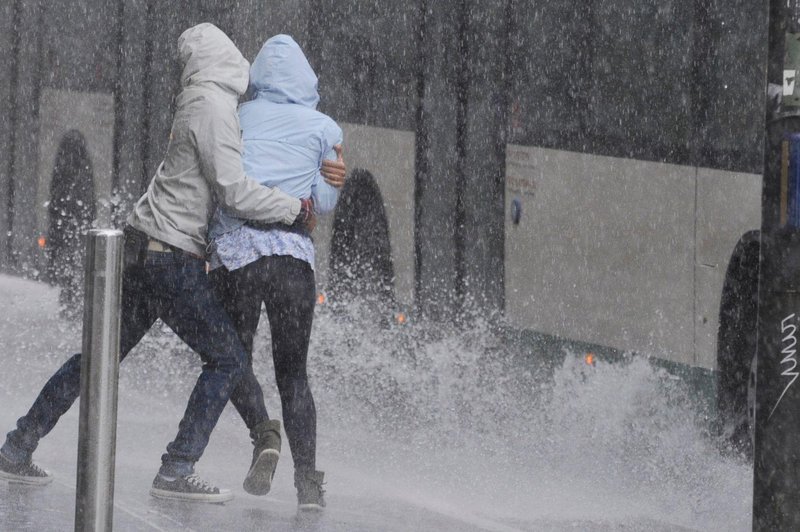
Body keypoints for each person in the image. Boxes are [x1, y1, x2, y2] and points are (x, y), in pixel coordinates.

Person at [0, 23, 344, 504]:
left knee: (97, 359)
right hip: (171, 257)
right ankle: (179, 467)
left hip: (146, 247)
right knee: (227, 358)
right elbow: (234, 190)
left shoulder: (200, 100)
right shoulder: (215, 107)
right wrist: (296, 209)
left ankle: (18, 445)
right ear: (228, 60)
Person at [207, 34, 342, 510]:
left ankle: (265, 437)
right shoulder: (324, 127)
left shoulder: (236, 118)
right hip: (292, 261)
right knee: (294, 375)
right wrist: (329, 176)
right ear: (306, 77)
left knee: (232, 361)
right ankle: (308, 483)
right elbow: (321, 204)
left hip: (237, 256)